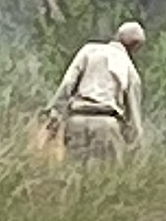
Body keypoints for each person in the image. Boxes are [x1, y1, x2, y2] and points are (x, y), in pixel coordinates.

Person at [45, 21, 146, 162]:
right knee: (104, 178)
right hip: (107, 125)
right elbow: (133, 116)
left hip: (76, 121)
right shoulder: (130, 70)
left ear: (116, 35)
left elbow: (68, 84)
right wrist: (136, 149)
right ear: (135, 47)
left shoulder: (88, 50)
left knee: (75, 176)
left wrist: (54, 115)